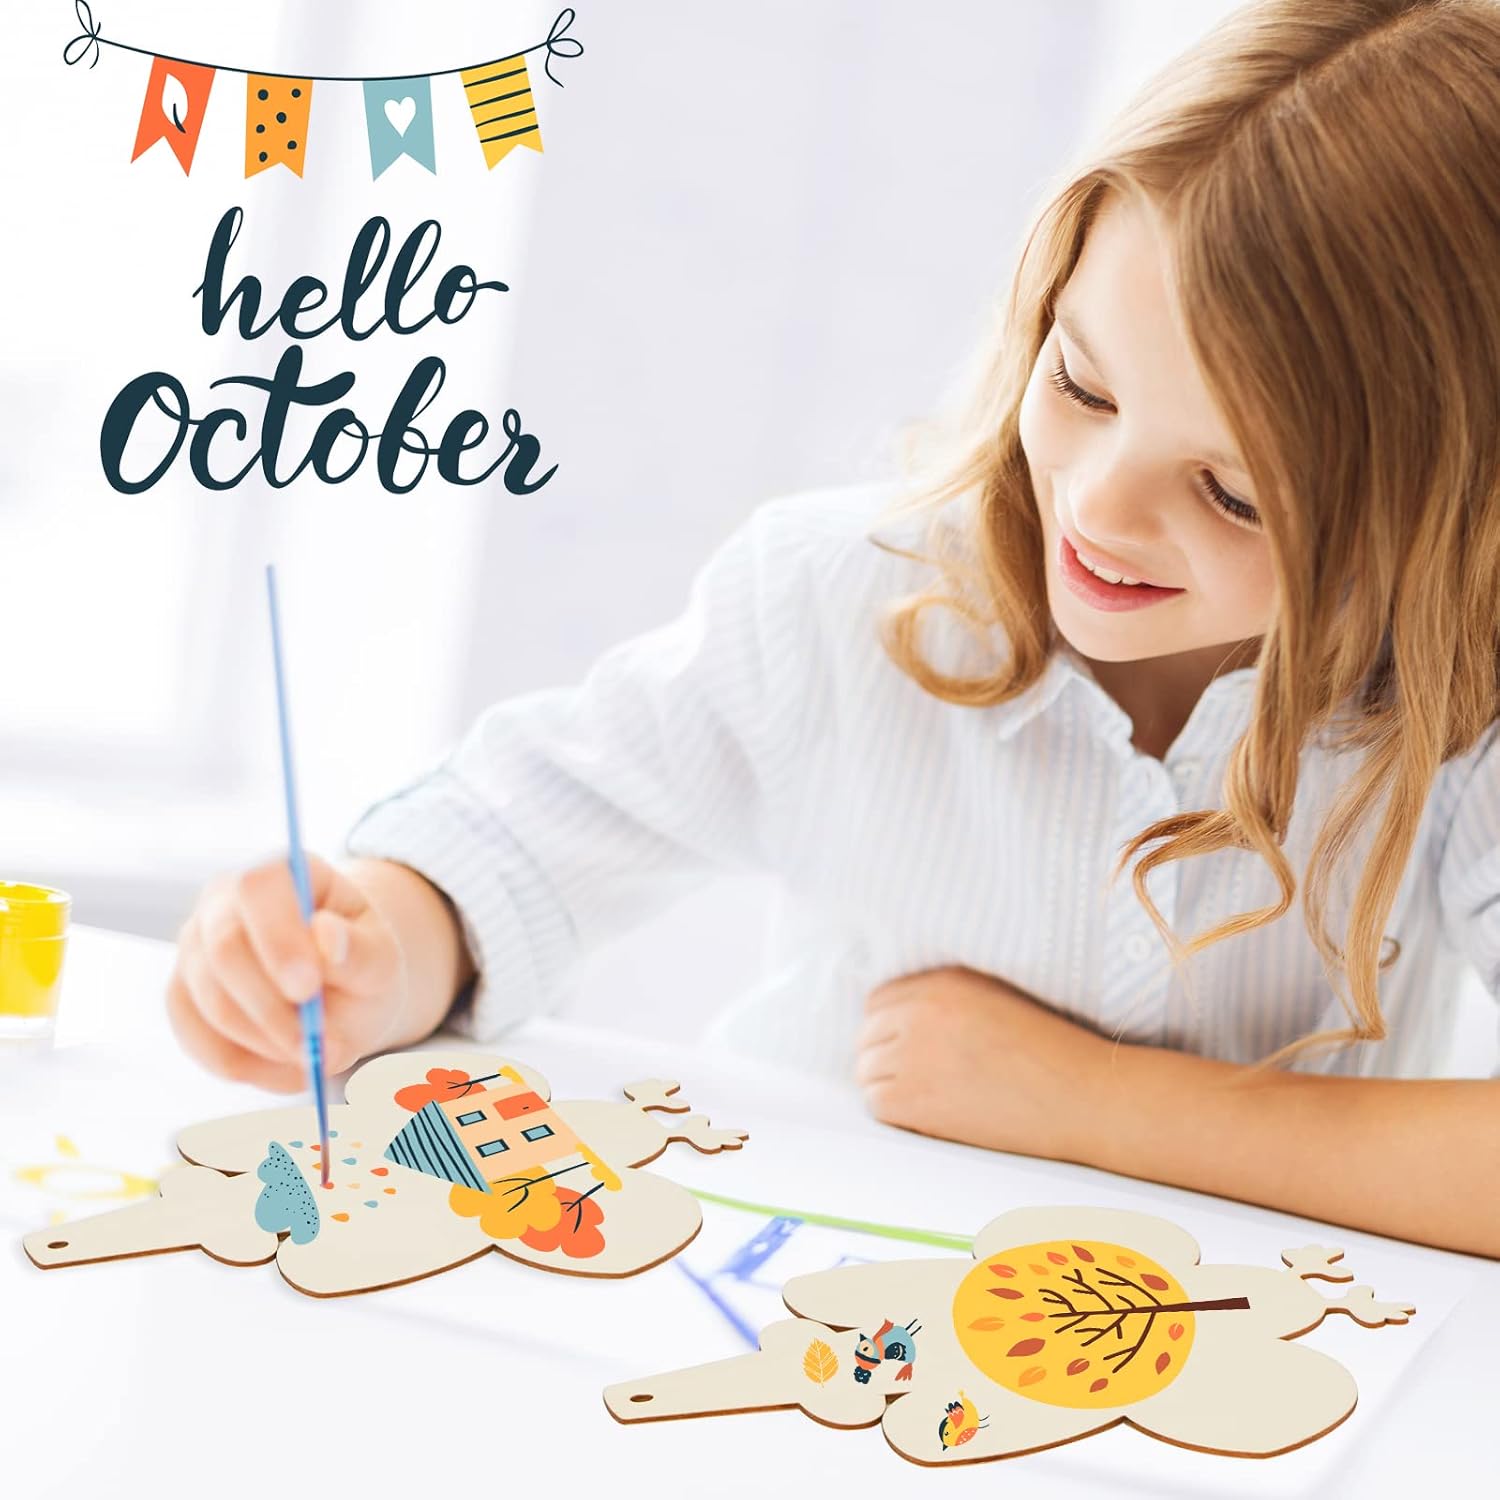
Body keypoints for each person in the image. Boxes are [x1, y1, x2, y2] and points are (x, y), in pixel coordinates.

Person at [165, 0, 1500, 1257]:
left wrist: (1087, 1101)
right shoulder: (845, 596)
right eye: (1079, 382)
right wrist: (379, 949)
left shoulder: (1459, 722)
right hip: (817, 1309)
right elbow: (519, 839)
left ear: (1448, 519)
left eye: (1231, 493)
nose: (1095, 506)